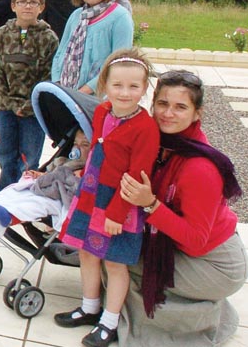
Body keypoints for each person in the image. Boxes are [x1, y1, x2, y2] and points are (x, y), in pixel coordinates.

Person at [118, 70, 248, 347]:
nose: (168, 113)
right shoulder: (159, 144)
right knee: (115, 250)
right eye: (163, 104)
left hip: (216, 264)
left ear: (196, 113)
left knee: (122, 260)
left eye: (180, 107)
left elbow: (195, 240)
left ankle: (194, 322)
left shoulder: (200, 167)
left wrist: (151, 205)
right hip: (189, 248)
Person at [56, 48, 160, 347]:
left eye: (134, 86)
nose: (125, 93)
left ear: (144, 88)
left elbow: (137, 174)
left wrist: (116, 213)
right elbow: (99, 151)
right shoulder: (102, 111)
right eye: (117, 85)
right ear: (105, 85)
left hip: (119, 204)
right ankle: (89, 307)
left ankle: (110, 322)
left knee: (114, 263)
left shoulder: (145, 128)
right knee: (87, 252)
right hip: (91, 194)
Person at [0, 0, 58, 191]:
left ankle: (23, 197)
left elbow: (49, 75)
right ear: (13, 6)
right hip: (6, 107)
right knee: (6, 154)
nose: (27, 6)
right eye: (22, 2)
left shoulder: (48, 38)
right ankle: (3, 196)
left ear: (41, 7)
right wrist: (10, 102)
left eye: (33, 2)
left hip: (34, 111)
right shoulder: (1, 34)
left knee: (29, 157)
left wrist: (29, 105)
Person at [0, 130, 90, 237]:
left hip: (58, 197)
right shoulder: (64, 161)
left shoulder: (89, 171)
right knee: (16, 191)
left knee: (39, 203)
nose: (77, 149)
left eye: (84, 145)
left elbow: (74, 187)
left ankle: (12, 217)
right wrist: (39, 175)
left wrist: (73, 177)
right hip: (44, 187)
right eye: (75, 144)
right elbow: (51, 174)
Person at [51, 0, 133, 94]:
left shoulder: (120, 17)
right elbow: (60, 53)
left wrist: (84, 92)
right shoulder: (76, 16)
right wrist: (58, 83)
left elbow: (118, 64)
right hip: (66, 93)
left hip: (98, 98)